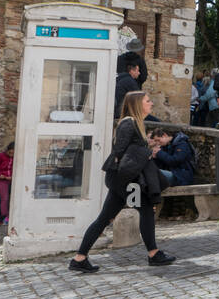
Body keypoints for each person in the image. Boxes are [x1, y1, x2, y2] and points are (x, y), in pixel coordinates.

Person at [71, 91, 175, 271]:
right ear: (137, 104)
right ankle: (153, 254)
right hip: (125, 180)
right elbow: (119, 151)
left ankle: (79, 258)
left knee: (108, 217)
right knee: (142, 210)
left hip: (126, 180)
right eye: (147, 101)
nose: (151, 104)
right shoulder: (129, 123)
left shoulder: (134, 123)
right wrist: (143, 153)